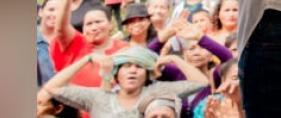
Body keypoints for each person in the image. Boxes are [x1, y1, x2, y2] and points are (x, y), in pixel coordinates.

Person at [39, 46, 208, 118]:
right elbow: (53, 86)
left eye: (139, 67)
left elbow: (200, 82)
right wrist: (87, 59)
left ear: (147, 74)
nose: (133, 70)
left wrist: (172, 58)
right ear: (116, 73)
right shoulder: (97, 97)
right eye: (126, 66)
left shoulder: (158, 92)